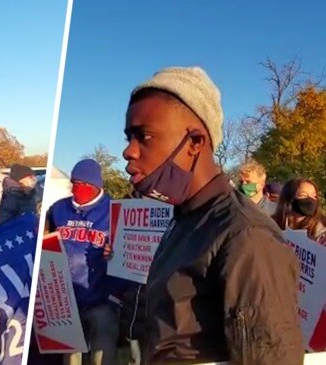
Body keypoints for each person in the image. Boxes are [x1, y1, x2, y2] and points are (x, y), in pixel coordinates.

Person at [123, 67, 303, 364]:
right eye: (129, 137)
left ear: (195, 142)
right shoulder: (185, 217)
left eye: (144, 136)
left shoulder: (246, 236)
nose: (129, 152)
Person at [46, 159, 131, 365]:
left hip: (102, 301)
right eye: (75, 183)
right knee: (71, 359)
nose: (79, 188)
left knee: (102, 358)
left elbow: (128, 254)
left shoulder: (115, 211)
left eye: (86, 185)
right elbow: (45, 237)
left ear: (97, 186)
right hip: (66, 302)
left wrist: (114, 294)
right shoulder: (59, 209)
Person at [272, 178, 326, 244]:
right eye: (303, 195)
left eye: (314, 196)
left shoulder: (321, 232)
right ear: (289, 198)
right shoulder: (271, 224)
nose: (310, 200)